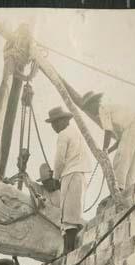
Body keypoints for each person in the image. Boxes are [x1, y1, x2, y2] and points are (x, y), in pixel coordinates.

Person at [62, 79, 135, 190]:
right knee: (131, 163)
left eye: (89, 108)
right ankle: (127, 189)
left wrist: (104, 149)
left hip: (133, 128)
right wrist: (108, 151)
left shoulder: (102, 110)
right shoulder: (112, 113)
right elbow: (120, 141)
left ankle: (119, 187)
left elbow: (107, 131)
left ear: (95, 104)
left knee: (121, 159)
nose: (90, 111)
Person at [46, 106, 92, 254]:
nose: (53, 127)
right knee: (74, 212)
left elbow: (59, 160)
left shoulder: (63, 135)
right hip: (81, 174)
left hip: (70, 174)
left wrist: (55, 178)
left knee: (69, 216)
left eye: (55, 123)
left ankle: (69, 250)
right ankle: (71, 248)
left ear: (63, 121)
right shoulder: (77, 134)